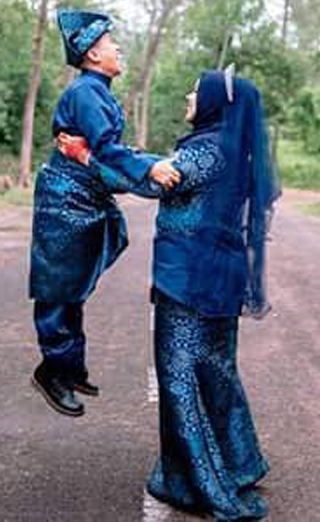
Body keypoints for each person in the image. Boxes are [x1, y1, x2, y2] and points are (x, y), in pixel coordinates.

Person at [60, 68, 277, 520]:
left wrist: (87, 159)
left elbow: (155, 181)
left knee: (179, 379)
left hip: (190, 280)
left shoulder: (209, 150)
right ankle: (240, 462)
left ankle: (199, 485)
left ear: (216, 102)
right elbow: (163, 168)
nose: (187, 93)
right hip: (215, 276)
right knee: (216, 373)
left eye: (196, 91)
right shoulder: (225, 145)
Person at [28, 9, 181, 417]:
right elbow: (110, 149)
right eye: (113, 44)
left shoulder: (97, 92)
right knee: (58, 288)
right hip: (66, 200)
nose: (119, 49)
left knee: (73, 286)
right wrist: (150, 168)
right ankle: (53, 371)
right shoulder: (86, 93)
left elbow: (102, 154)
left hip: (84, 195)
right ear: (93, 55)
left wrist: (150, 171)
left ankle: (69, 367)